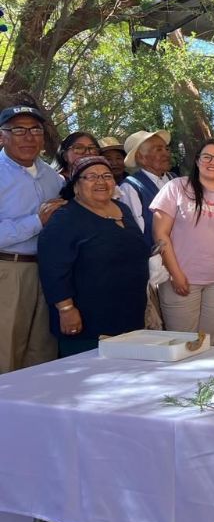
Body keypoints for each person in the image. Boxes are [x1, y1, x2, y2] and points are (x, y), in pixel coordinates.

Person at [38, 156, 148, 357]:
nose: (101, 181)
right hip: (87, 322)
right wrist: (66, 309)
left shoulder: (122, 209)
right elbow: (53, 269)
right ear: (76, 186)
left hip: (129, 314)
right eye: (91, 177)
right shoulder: (65, 218)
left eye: (107, 176)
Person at [151, 139, 214, 345]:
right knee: (181, 343)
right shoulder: (176, 188)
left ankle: (213, 379)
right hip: (181, 280)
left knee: (213, 342)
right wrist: (175, 274)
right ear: (197, 161)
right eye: (207, 156)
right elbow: (161, 234)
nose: (212, 162)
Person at [0, 105, 63, 372]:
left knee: (43, 352)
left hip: (48, 272)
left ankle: (34, 412)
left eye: (35, 129)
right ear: (2, 136)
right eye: (18, 130)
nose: (29, 137)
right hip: (8, 271)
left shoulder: (53, 176)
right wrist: (38, 221)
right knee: (6, 350)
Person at [120, 129, 176, 242]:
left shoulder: (174, 179)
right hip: (157, 256)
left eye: (166, 148)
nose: (166, 153)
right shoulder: (130, 187)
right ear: (141, 157)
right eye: (159, 149)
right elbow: (136, 233)